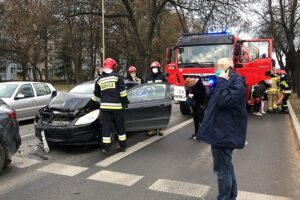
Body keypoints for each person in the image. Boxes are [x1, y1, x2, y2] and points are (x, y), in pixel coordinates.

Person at [196, 57, 248, 200]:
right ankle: (231, 196)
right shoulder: (229, 82)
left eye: (219, 69)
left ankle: (224, 198)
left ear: (227, 69)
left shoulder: (234, 82)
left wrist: (222, 82)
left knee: (222, 170)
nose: (216, 72)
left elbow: (225, 100)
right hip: (222, 131)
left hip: (224, 133)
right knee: (226, 167)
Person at [91, 58, 129, 155]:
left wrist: (90, 105)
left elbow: (96, 95)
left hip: (105, 108)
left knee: (106, 128)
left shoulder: (99, 80)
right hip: (117, 107)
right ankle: (123, 146)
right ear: (113, 66)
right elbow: (123, 92)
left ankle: (106, 149)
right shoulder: (118, 77)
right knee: (120, 126)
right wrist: (125, 102)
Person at [146, 61, 167, 136]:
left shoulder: (162, 76)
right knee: (151, 114)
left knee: (160, 114)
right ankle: (153, 129)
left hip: (160, 98)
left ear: (158, 68)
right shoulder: (148, 77)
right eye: (153, 68)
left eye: (156, 68)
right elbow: (145, 87)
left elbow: (166, 86)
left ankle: (161, 129)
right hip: (151, 98)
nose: (154, 69)